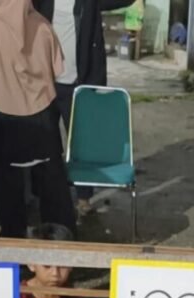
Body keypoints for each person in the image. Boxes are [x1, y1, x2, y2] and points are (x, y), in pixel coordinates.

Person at [0, 0, 78, 239]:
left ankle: (14, 248)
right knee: (52, 196)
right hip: (43, 123)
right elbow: (61, 72)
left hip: (3, 121)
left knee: (8, 202)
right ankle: (56, 247)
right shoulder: (42, 25)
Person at [32, 0, 134, 215]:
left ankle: (83, 197)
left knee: (80, 141)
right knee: (46, 142)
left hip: (78, 83)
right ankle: (47, 194)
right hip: (46, 83)